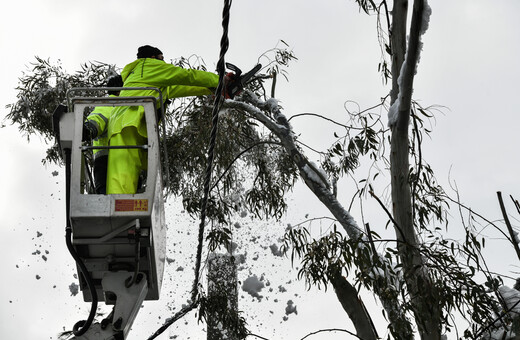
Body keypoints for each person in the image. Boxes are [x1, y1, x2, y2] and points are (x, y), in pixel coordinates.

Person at [106, 45, 221, 194]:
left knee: (131, 173)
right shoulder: (148, 66)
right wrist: (220, 80)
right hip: (126, 123)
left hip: (134, 126)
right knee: (122, 177)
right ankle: (117, 211)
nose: (164, 61)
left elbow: (182, 87)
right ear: (153, 57)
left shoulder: (154, 81)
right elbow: (187, 76)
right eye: (161, 58)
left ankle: (126, 208)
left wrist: (213, 89)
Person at [83, 75, 124, 194]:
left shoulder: (126, 107)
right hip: (108, 164)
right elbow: (97, 119)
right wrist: (90, 128)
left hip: (112, 164)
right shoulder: (110, 105)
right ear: (118, 90)